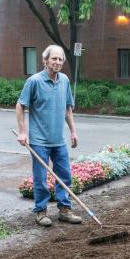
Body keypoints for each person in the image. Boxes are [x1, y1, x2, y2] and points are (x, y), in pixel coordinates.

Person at [15, 45, 82, 227]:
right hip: (39, 141)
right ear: (45, 61)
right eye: (54, 59)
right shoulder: (34, 81)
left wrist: (73, 131)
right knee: (40, 179)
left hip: (58, 140)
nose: (58, 62)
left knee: (65, 175)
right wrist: (22, 132)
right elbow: (20, 105)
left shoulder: (65, 81)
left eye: (60, 59)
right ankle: (41, 212)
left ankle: (65, 210)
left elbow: (68, 108)